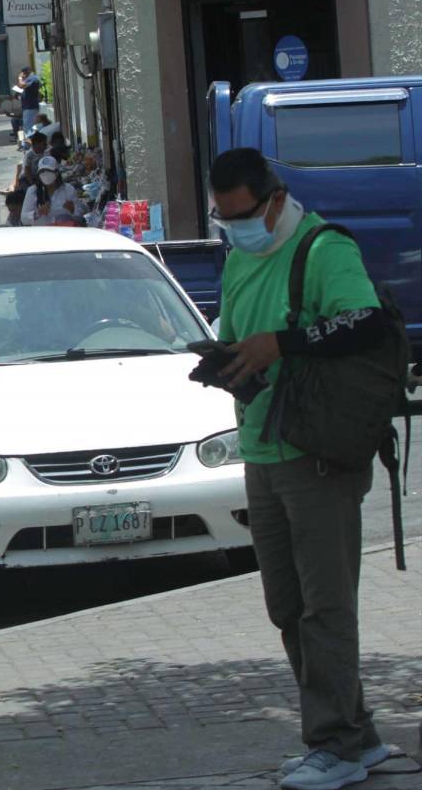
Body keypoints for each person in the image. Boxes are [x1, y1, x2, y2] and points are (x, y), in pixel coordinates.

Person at [209, 148, 391, 790]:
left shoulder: (321, 249)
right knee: (287, 608)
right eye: (224, 219)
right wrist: (223, 359)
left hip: (315, 457)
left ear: (276, 200)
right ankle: (356, 733)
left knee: (325, 609)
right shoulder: (236, 257)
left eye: (244, 216)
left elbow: (365, 322)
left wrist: (281, 344)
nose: (235, 228)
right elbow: (240, 337)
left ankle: (336, 746)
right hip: (260, 450)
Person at [21, 156, 83, 225]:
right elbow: (23, 219)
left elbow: (80, 217)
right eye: (42, 172)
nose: (45, 174)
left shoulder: (69, 190)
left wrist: (73, 210)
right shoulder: (32, 191)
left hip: (64, 232)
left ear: (56, 173)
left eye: (49, 171)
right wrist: (38, 213)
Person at [14, 67, 42, 149]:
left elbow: (22, 85)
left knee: (29, 128)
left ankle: (28, 145)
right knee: (23, 126)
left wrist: (20, 78)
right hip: (26, 107)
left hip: (31, 107)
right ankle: (25, 143)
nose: (23, 76)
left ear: (26, 73)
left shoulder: (33, 78)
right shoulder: (28, 79)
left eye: (23, 74)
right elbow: (20, 88)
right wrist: (17, 93)